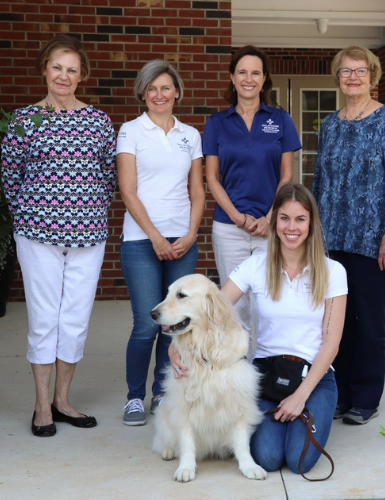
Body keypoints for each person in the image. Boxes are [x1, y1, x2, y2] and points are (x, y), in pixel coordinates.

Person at [172, 183, 347, 474]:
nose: (292, 227)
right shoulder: (255, 265)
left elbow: (331, 342)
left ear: (311, 223)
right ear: (274, 220)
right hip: (268, 374)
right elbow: (211, 306)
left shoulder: (333, 271)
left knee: (299, 460)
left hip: (314, 377)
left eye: (300, 219)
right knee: (266, 457)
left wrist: (300, 396)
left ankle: (308, 408)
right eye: (285, 218)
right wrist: (175, 342)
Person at [1, 35, 116, 436]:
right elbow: (9, 178)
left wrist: (84, 212)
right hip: (37, 235)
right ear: (44, 70)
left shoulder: (100, 122)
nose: (63, 76)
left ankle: (63, 400)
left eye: (72, 69)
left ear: (81, 75)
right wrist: (32, 218)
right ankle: (40, 405)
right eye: (56, 67)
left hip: (89, 236)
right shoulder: (24, 120)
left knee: (75, 319)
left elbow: (109, 177)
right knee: (44, 319)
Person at [312, 45, 385, 425]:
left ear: (373, 76)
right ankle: (342, 394)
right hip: (332, 239)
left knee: (369, 324)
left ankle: (366, 398)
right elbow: (320, 182)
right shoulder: (329, 124)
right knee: (337, 322)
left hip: (372, 242)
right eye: (346, 71)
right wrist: (313, 235)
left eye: (360, 71)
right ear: (337, 78)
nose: (353, 77)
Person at [117, 60, 205, 426]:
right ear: (143, 93)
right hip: (141, 240)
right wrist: (155, 236)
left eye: (165, 88)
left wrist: (191, 233)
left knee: (175, 323)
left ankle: (162, 391)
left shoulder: (190, 135)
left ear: (177, 93)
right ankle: (135, 397)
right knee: (146, 324)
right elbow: (128, 190)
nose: (159, 94)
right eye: (151, 89)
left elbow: (198, 190)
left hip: (182, 240)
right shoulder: (130, 131)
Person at [203, 45, 301, 352]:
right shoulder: (217, 122)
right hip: (229, 228)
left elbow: (287, 176)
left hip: (272, 228)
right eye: (242, 72)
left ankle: (271, 375)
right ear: (232, 77)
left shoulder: (280, 119)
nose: (248, 78)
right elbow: (211, 178)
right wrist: (238, 217)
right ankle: (241, 380)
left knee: (271, 303)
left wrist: (269, 218)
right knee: (235, 307)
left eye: (255, 72)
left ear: (264, 79)